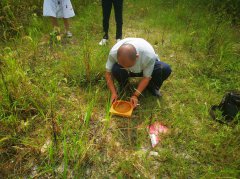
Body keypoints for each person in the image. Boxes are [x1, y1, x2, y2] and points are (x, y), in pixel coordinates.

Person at [105, 38, 172, 108]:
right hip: (129, 71)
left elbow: (146, 77)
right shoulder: (114, 52)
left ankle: (152, 86)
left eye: (128, 65)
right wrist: (113, 93)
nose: (125, 68)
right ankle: (124, 85)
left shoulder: (148, 55)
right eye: (122, 65)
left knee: (164, 68)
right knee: (116, 68)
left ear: (137, 57)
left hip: (145, 67)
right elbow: (108, 73)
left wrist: (135, 95)